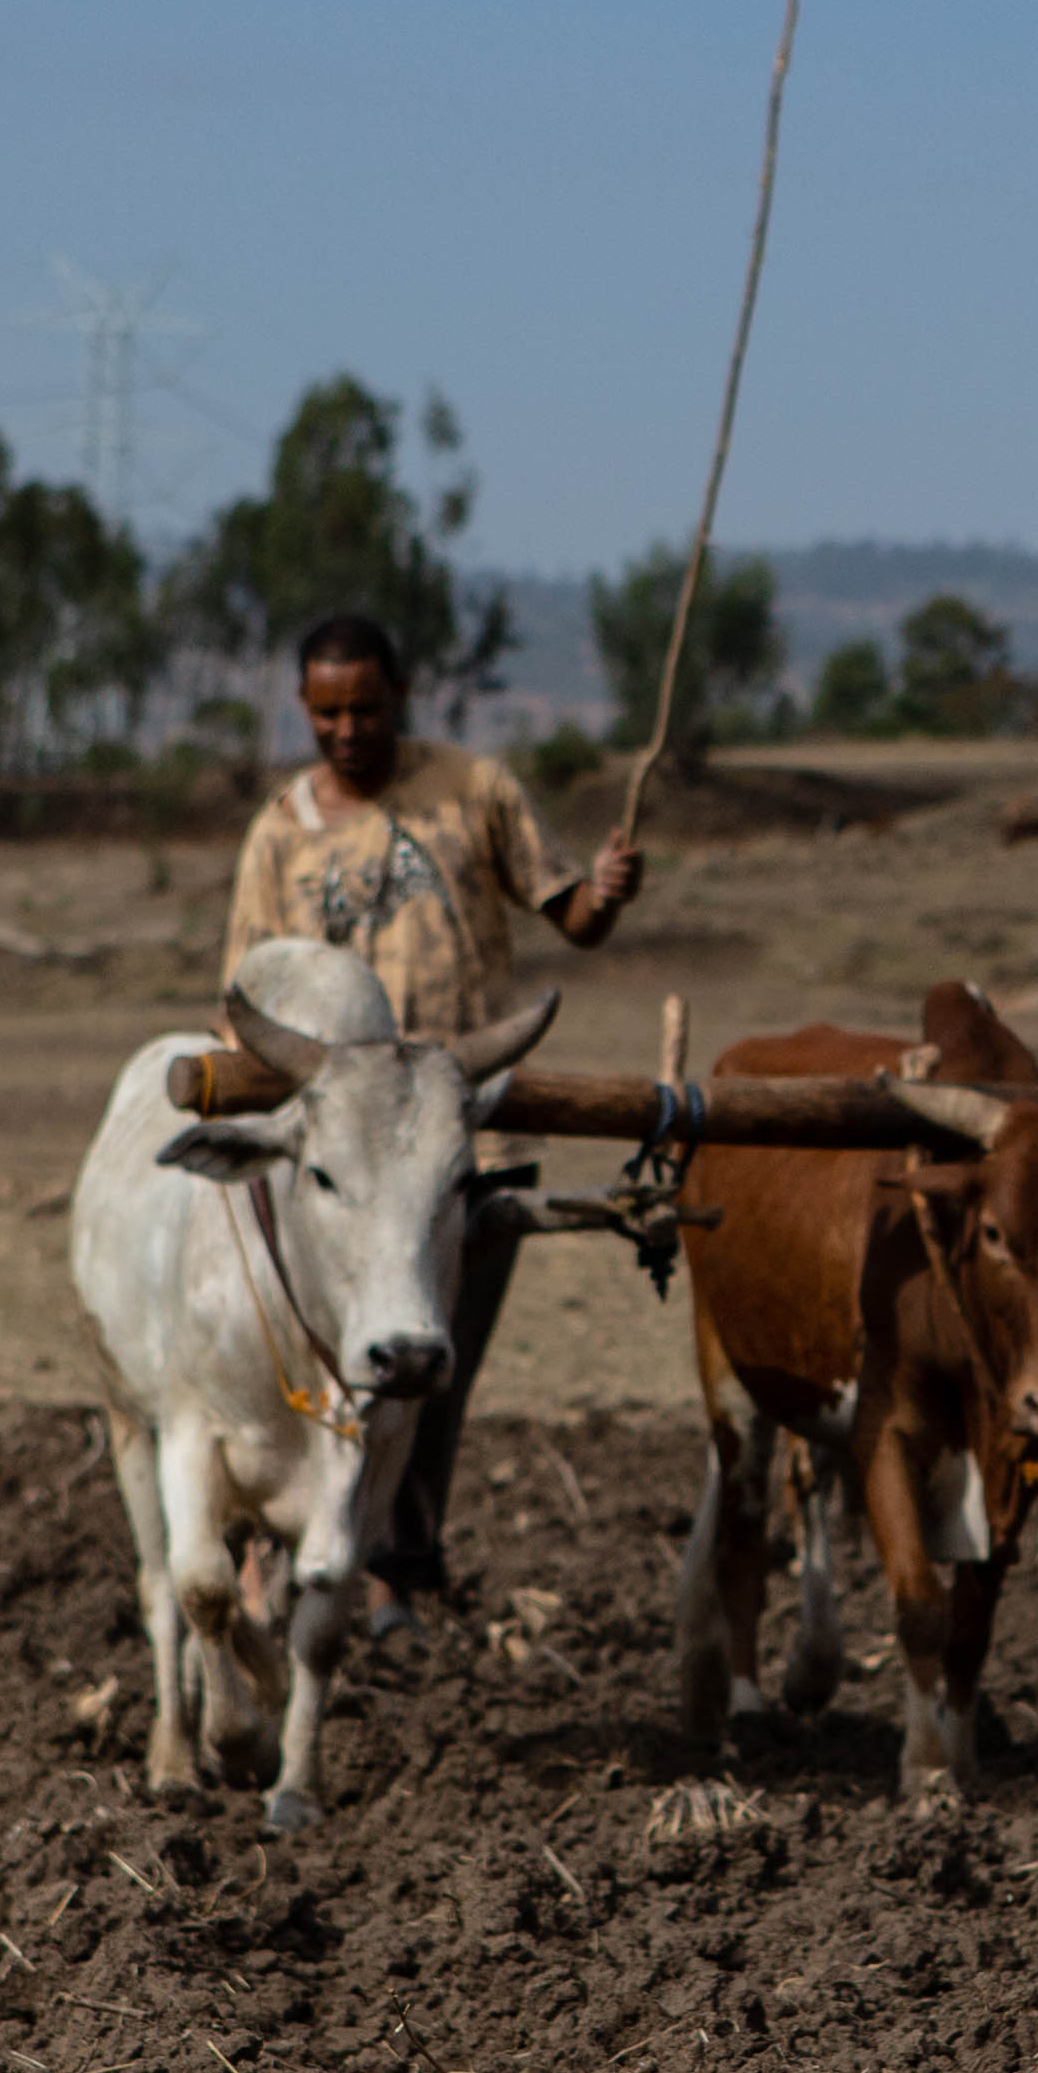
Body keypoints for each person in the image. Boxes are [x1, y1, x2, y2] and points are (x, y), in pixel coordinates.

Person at [223, 610, 644, 1620]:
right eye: (327, 712)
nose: (347, 730)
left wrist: (608, 892)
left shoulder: (473, 791)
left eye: (364, 708)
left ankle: (394, 1569)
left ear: (398, 697)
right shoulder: (279, 832)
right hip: (339, 1157)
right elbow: (244, 994)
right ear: (303, 708)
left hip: (465, 1145)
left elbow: (571, 918)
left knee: (428, 1364)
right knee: (307, 1353)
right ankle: (266, 1546)